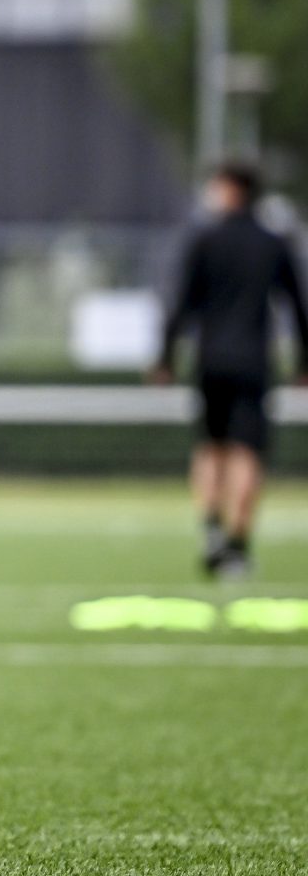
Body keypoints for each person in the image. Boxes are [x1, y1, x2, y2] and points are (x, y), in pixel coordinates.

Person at [151, 159, 308, 578]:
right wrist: (303, 363)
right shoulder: (274, 244)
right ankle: (238, 544)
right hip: (254, 362)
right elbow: (298, 305)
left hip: (211, 361)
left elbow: (179, 305)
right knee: (247, 452)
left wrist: (165, 357)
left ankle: (212, 529)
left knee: (211, 448)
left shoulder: (205, 240)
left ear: (231, 189)